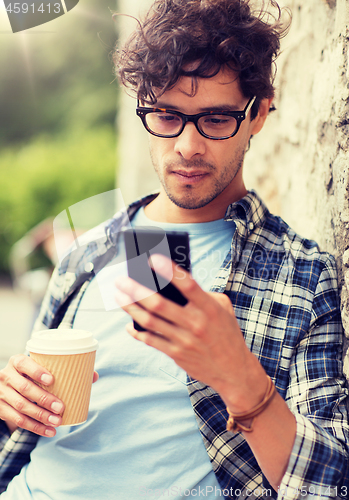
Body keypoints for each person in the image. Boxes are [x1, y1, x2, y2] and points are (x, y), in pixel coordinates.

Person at [0, 0, 348, 498]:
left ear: (259, 114)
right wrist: (10, 400)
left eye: (215, 119)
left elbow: (331, 484)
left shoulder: (303, 274)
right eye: (166, 115)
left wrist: (242, 379)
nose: (187, 145)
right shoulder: (89, 252)